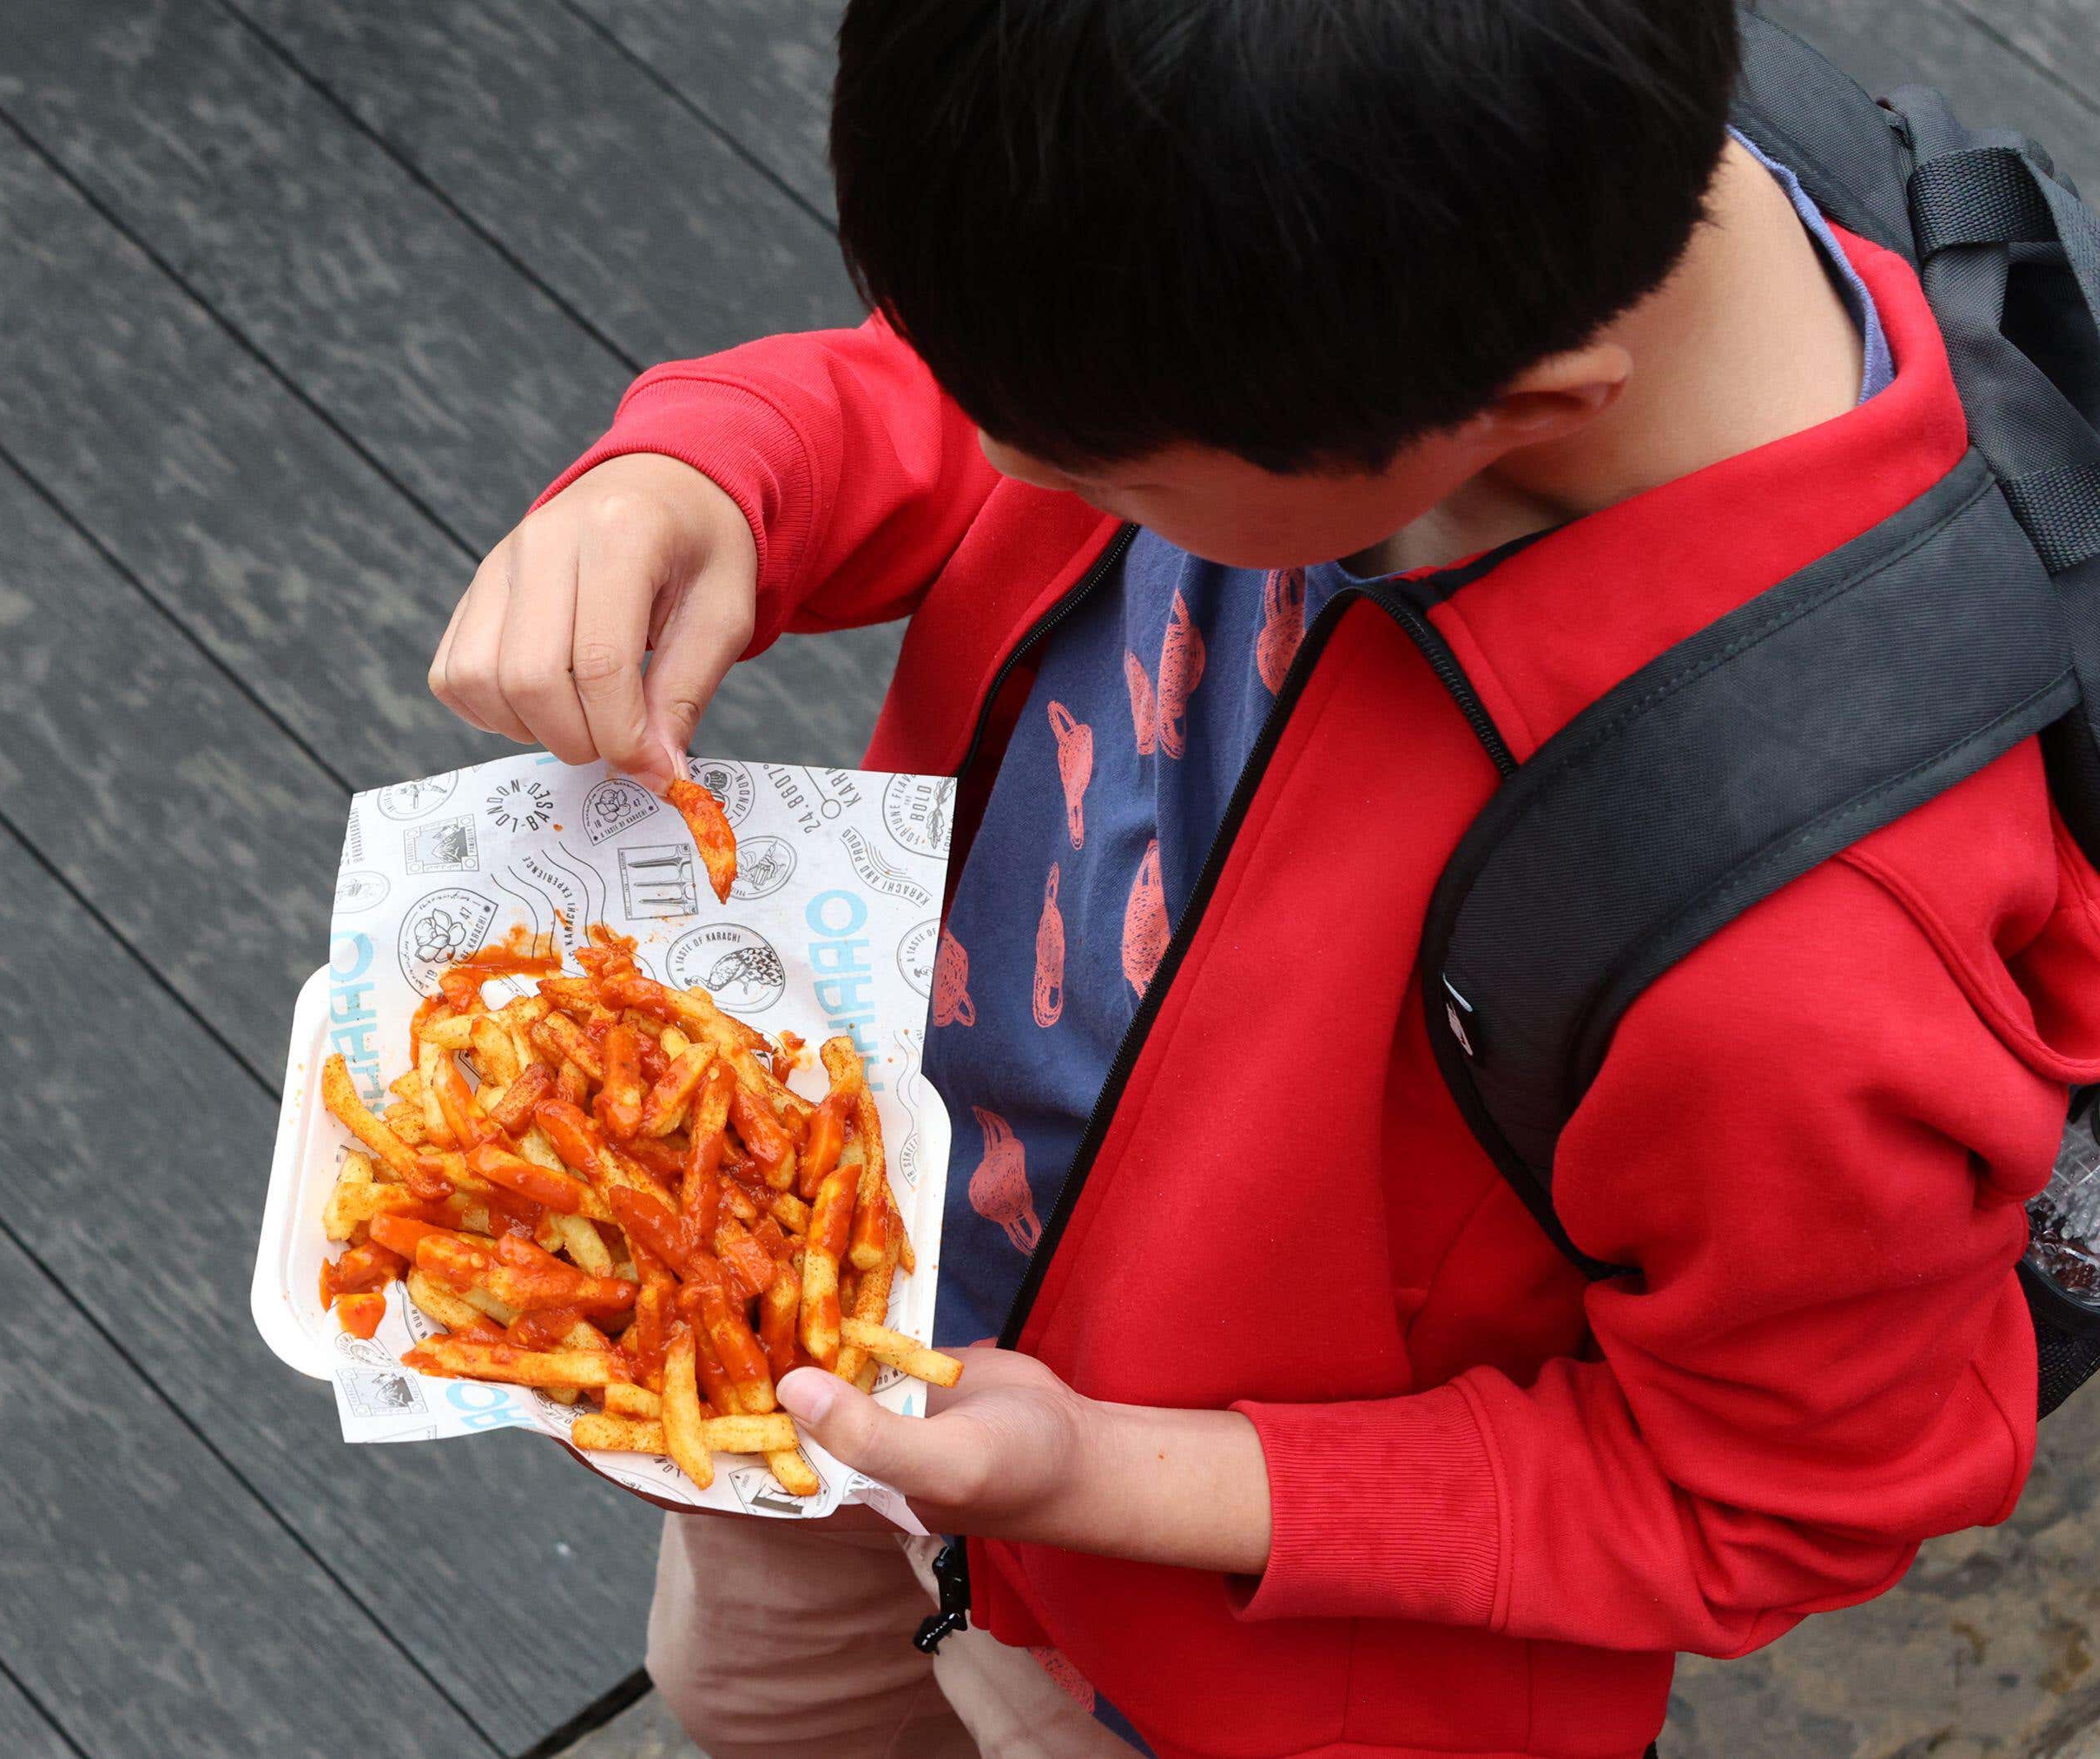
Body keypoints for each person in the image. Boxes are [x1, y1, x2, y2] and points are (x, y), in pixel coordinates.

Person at [427, 2, 2097, 1753]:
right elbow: (986, 375)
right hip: (853, 1298)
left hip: (1207, 1663)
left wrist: (1111, 1475)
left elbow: (1772, 1496)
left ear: (1519, 411)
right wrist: (721, 469)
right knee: (755, 1692)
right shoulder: (1331, 245)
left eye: (1094, 475)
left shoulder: (1798, 962)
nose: (999, 476)